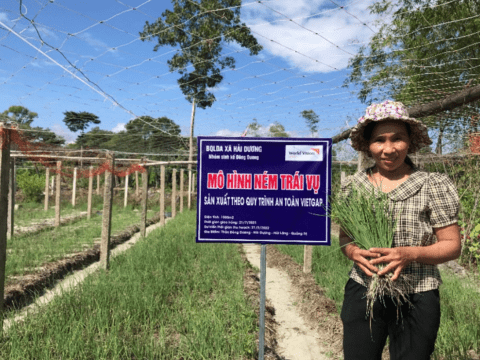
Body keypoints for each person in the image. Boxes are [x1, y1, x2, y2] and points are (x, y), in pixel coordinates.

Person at [339, 100, 461, 360]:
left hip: (418, 292)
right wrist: (352, 252)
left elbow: (452, 244)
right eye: (379, 140)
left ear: (410, 141)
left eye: (398, 138)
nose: (388, 149)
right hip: (363, 289)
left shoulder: (432, 185)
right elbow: (345, 238)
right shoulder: (354, 186)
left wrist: (408, 254)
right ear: (368, 145)